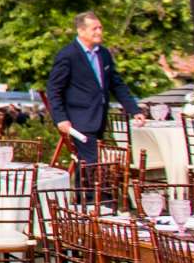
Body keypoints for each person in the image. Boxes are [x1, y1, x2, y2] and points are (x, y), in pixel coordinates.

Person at [46, 12, 138, 163]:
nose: (99, 32)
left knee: (84, 166)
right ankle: (93, 187)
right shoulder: (68, 55)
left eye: (100, 28)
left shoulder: (104, 54)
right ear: (81, 31)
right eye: (94, 29)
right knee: (93, 164)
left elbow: (117, 84)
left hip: (99, 119)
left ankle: (80, 187)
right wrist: (61, 118)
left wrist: (135, 110)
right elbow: (54, 89)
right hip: (80, 121)